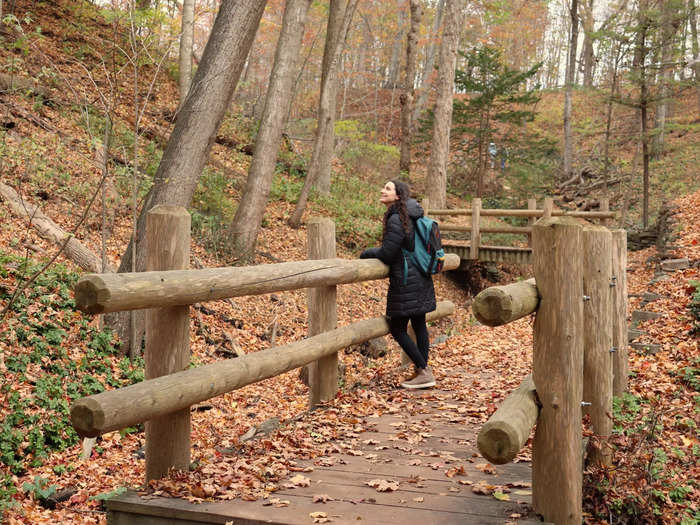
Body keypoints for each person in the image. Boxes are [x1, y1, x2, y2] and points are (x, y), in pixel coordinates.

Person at [360, 180, 436, 389]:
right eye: (383, 187)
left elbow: (387, 253)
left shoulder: (397, 218)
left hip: (405, 280)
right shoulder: (412, 214)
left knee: (397, 327)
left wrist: (366, 253)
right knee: (419, 323)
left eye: (387, 188)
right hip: (420, 276)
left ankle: (423, 370)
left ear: (398, 196)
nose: (382, 190)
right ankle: (422, 371)